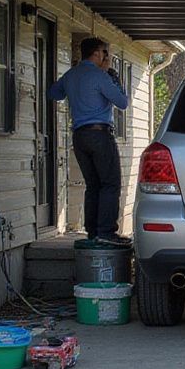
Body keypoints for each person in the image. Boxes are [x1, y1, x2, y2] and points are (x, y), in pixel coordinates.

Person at [48, 37, 130, 246]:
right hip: (100, 134)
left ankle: (92, 231)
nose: (107, 57)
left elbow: (54, 93)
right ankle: (106, 232)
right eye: (105, 52)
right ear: (96, 53)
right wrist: (116, 80)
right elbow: (122, 102)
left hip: (79, 136)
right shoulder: (100, 76)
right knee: (110, 183)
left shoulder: (71, 75)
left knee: (92, 185)